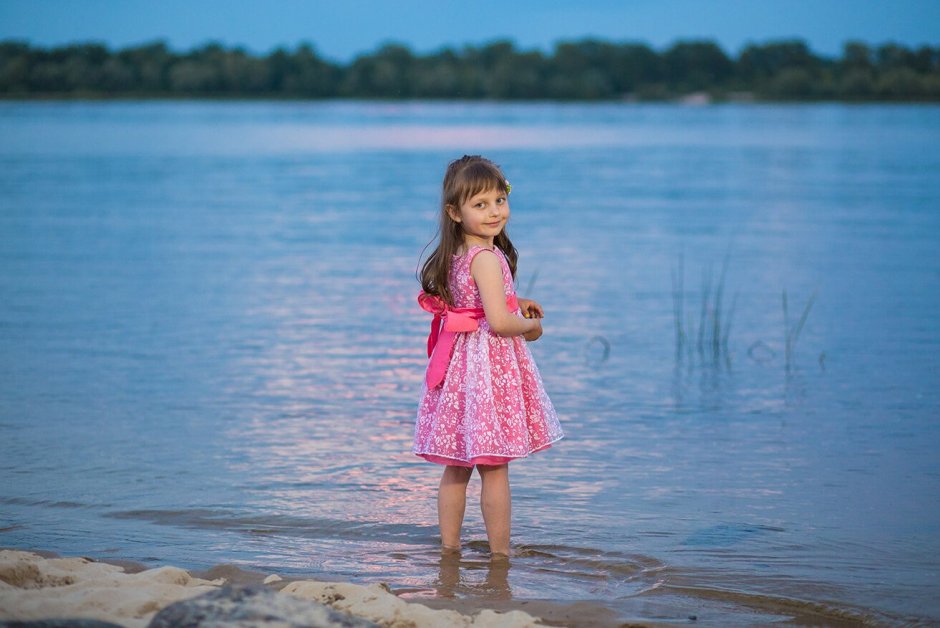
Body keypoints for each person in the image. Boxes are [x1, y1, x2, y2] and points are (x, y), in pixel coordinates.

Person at [413, 155, 564, 557]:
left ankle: (449, 550)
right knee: (495, 469)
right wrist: (530, 327)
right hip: (486, 371)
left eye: (499, 200)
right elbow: (498, 322)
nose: (495, 212)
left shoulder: (461, 252)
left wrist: (517, 300)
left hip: (460, 369)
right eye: (480, 205)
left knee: (457, 465)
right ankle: (500, 557)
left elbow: (473, 302)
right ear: (455, 212)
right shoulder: (486, 258)